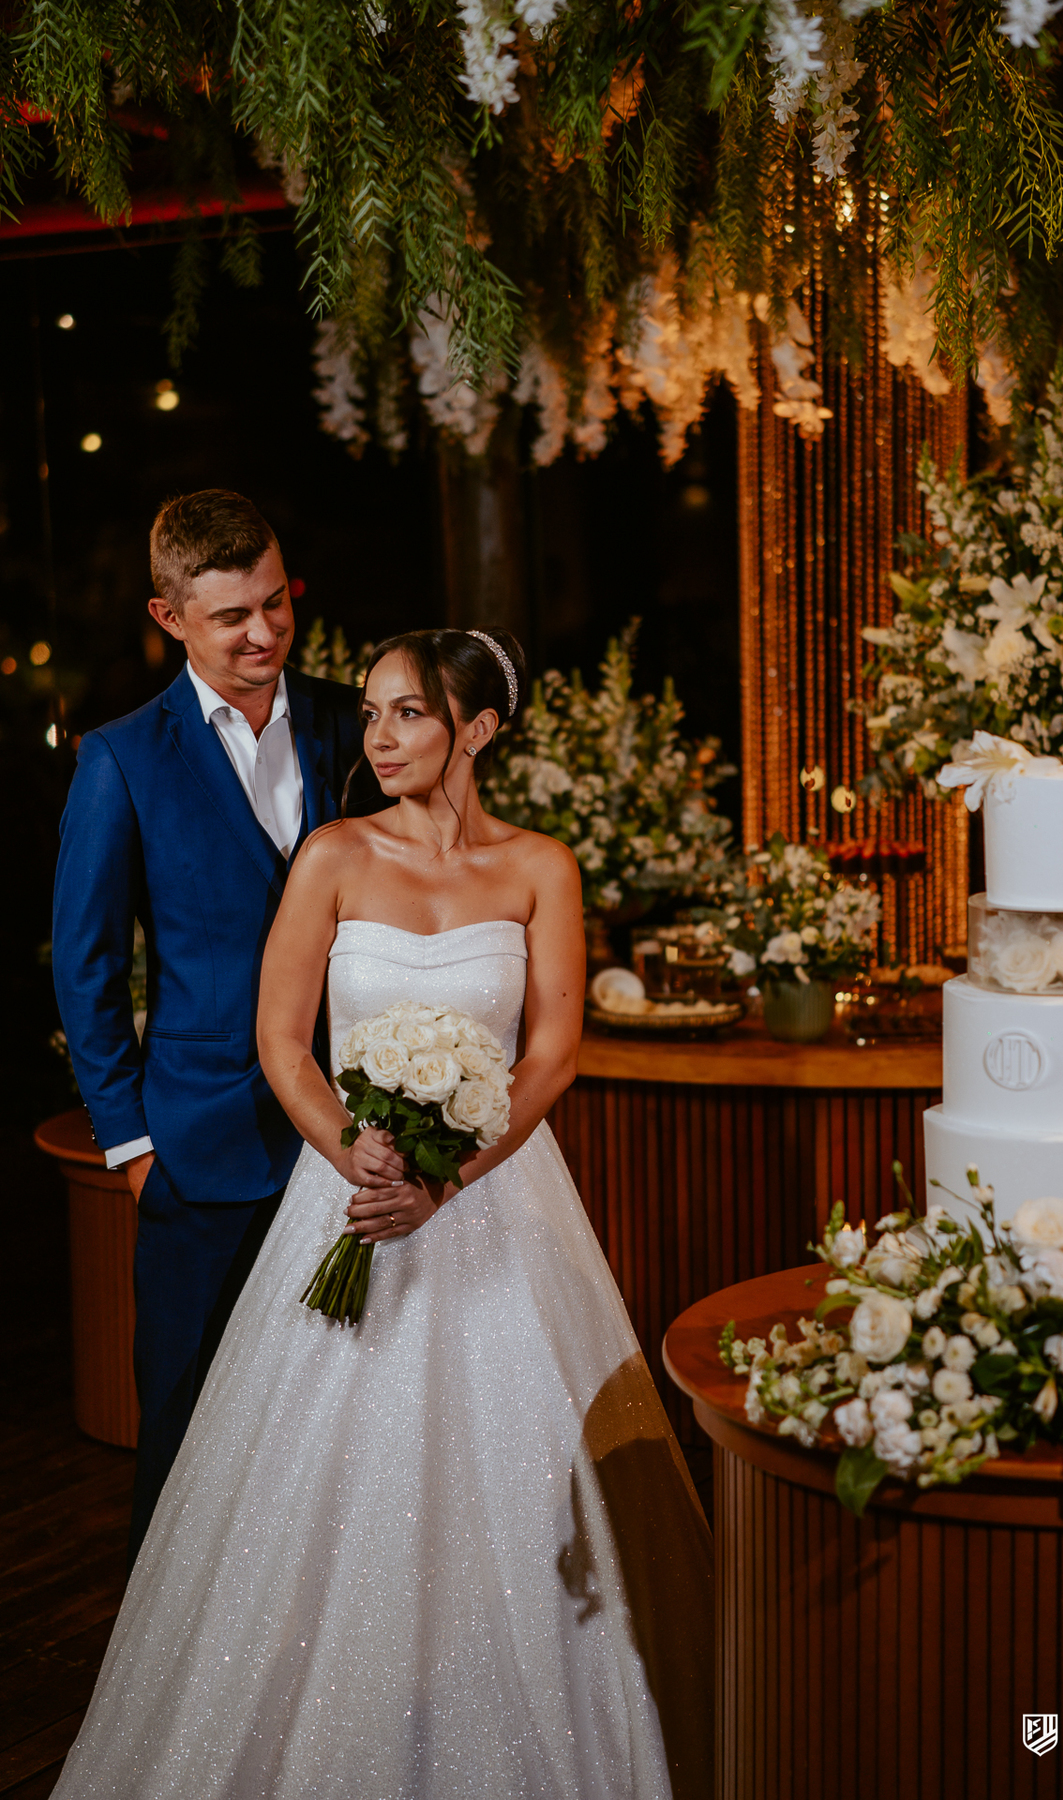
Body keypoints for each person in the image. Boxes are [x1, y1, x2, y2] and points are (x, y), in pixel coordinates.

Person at [52, 627, 714, 1800]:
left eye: (408, 714)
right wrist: (354, 1152)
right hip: (348, 1191)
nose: (380, 738)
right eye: (369, 714)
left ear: (479, 730)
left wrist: (448, 1178)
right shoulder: (332, 857)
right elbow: (279, 1038)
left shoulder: (538, 868)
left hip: (499, 1199)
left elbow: (555, 1049)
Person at [52, 490, 364, 1561]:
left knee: (339, 1420)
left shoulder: (350, 721)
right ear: (169, 615)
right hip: (198, 1149)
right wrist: (134, 1148)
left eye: (276, 604)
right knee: (189, 1431)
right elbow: (88, 970)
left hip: (352, 1141)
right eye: (232, 616)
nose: (264, 633)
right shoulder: (122, 759)